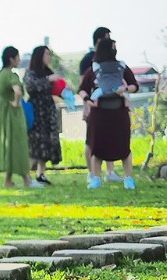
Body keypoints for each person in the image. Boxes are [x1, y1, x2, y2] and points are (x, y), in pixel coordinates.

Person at [77, 38, 139, 189]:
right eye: (113, 47)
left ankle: (128, 178)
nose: (115, 50)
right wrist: (86, 99)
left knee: (124, 146)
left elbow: (134, 85)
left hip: (119, 112)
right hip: (99, 114)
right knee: (98, 147)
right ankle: (96, 178)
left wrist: (124, 89)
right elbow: (82, 88)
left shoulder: (122, 67)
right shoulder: (93, 69)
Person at [0, 46, 45, 189]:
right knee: (20, 146)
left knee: (10, 146)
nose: (19, 59)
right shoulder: (12, 75)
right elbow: (17, 91)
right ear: (11, 59)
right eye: (18, 57)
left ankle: (8, 180)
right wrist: (17, 103)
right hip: (14, 115)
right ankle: (27, 179)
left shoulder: (0, 75)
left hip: (3, 115)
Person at [80, 27, 120, 182]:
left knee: (109, 136)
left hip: (110, 105)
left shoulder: (112, 60)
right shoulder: (88, 60)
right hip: (94, 105)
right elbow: (83, 84)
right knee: (91, 139)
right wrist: (86, 104)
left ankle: (110, 172)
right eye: (107, 37)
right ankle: (92, 173)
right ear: (99, 39)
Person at [23, 45, 63, 184]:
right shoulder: (31, 72)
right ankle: (26, 176)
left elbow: (55, 89)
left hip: (48, 110)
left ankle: (41, 174)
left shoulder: (48, 71)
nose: (49, 57)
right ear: (39, 55)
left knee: (47, 141)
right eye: (46, 54)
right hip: (37, 110)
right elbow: (30, 86)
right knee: (36, 142)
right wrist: (48, 80)